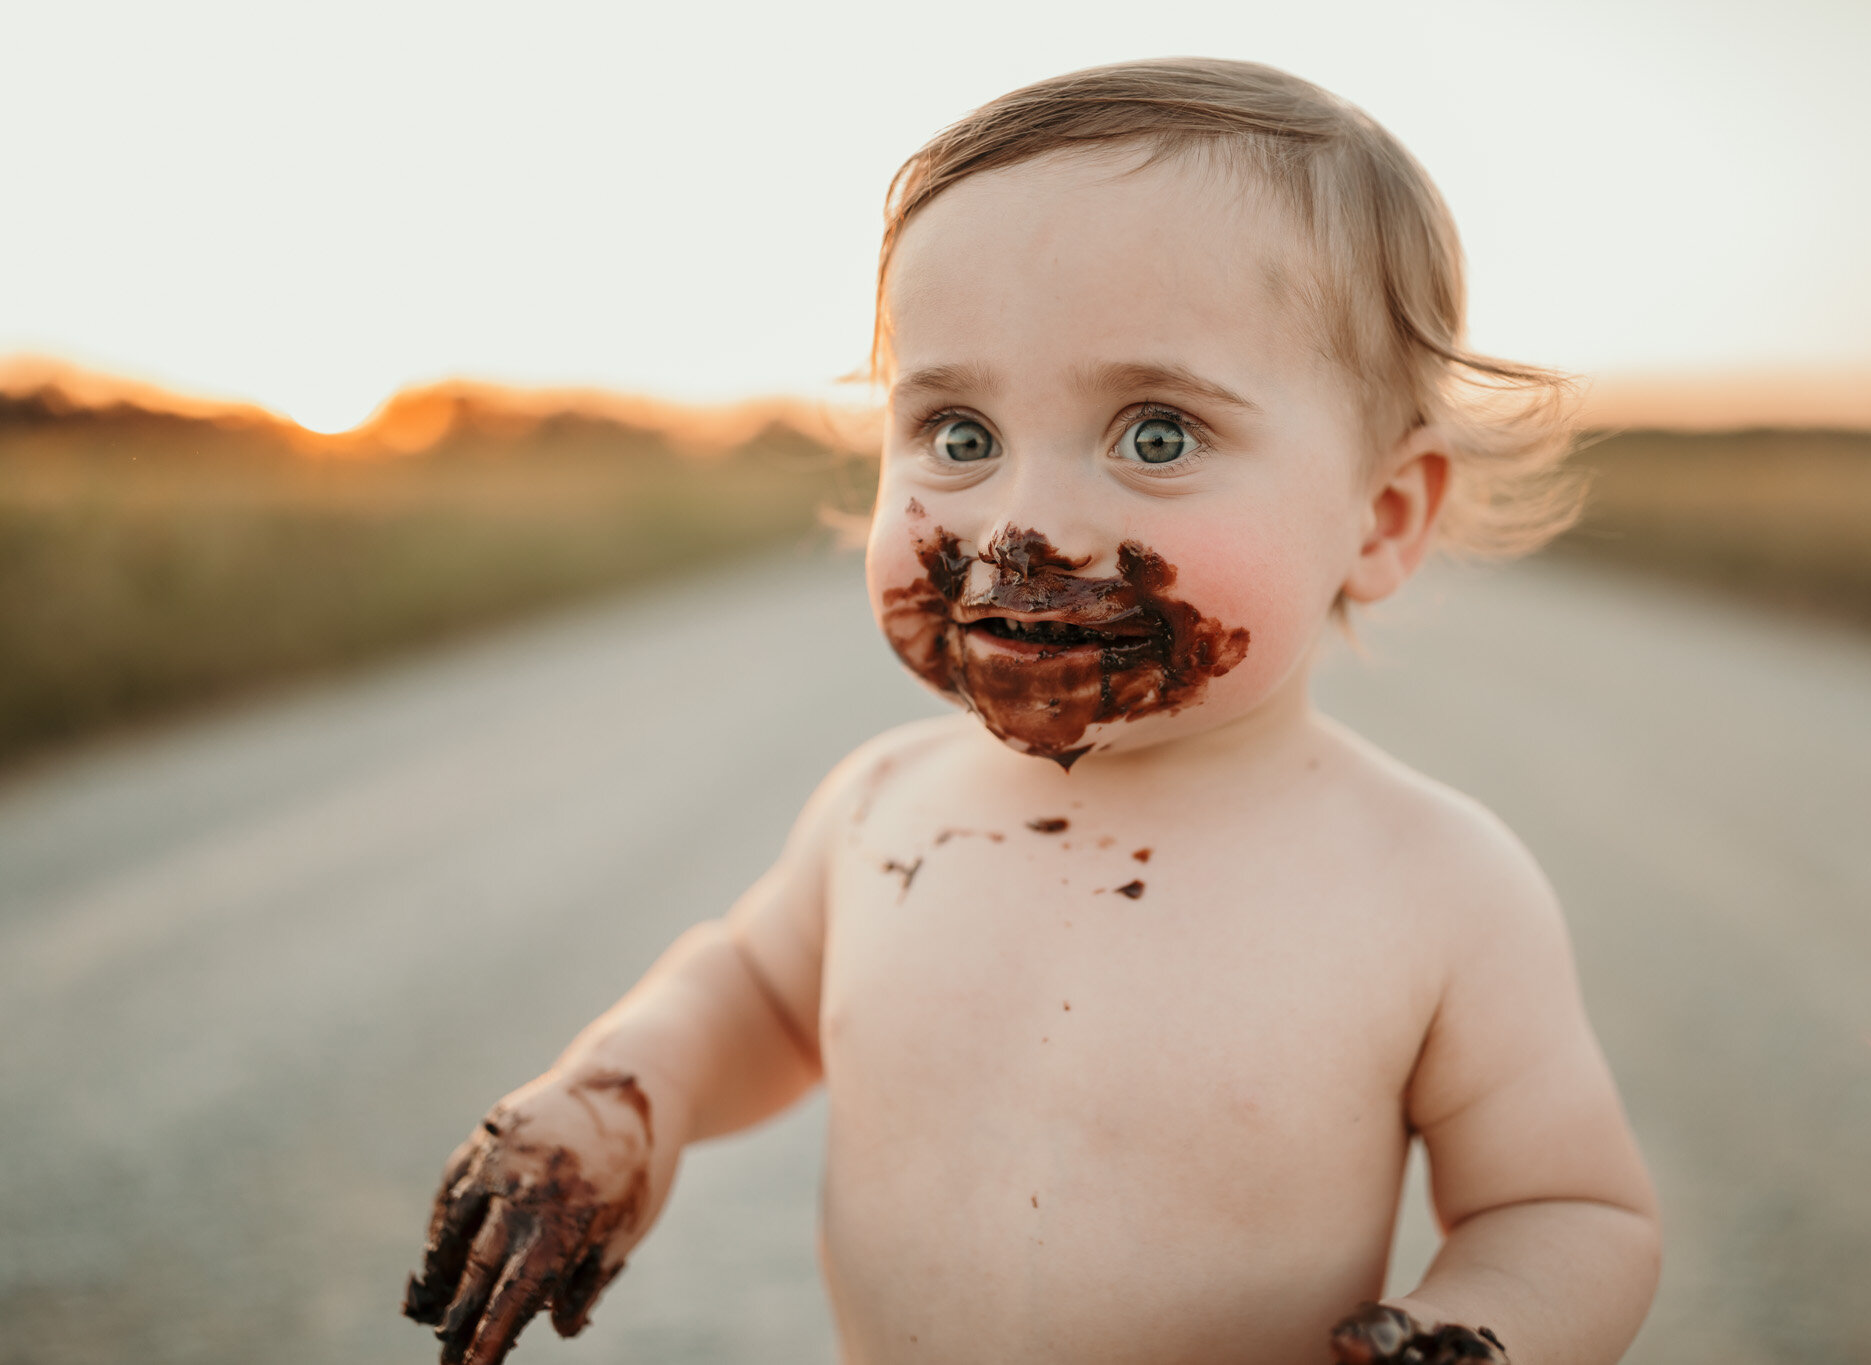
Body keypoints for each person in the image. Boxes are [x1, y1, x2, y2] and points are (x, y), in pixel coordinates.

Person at [400, 58, 1660, 1365]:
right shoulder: (881, 807)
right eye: (956, 433)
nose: (1024, 526)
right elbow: (758, 994)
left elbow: (1566, 1207)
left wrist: (1473, 1334)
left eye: (1156, 435)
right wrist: (625, 1097)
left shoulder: (1435, 886)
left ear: (1383, 516)